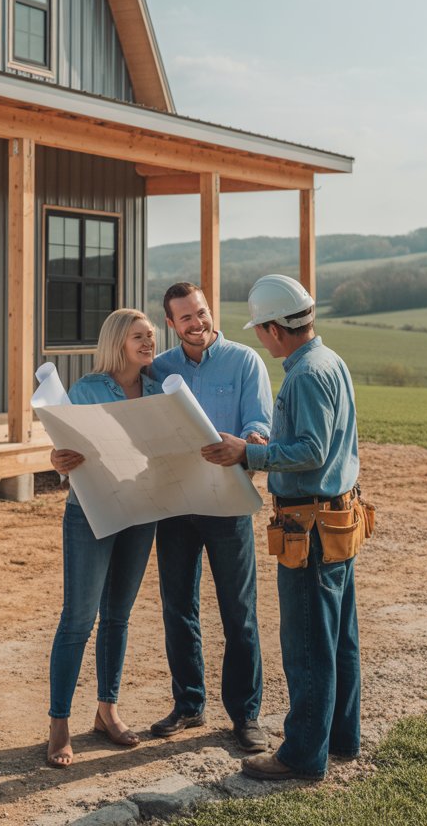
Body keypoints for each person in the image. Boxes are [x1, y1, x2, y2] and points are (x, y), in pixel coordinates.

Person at [202, 274, 363, 782]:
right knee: (338, 638)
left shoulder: (305, 375)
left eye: (261, 330)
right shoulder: (329, 361)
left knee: (308, 645)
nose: (258, 339)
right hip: (336, 518)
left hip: (309, 526)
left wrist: (246, 452)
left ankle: (300, 757)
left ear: (275, 328)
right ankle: (339, 738)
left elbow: (311, 450)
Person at [148, 282, 273, 753]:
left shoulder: (245, 362)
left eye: (201, 313)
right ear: (171, 324)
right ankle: (189, 704)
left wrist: (249, 442)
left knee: (238, 613)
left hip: (227, 501)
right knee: (177, 608)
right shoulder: (159, 370)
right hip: (176, 504)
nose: (197, 324)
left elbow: (260, 425)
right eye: (186, 318)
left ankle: (245, 715)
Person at [46, 308, 163, 769]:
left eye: (152, 335)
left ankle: (107, 711)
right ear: (118, 341)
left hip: (141, 511)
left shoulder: (159, 391)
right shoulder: (87, 389)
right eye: (139, 336)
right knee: (78, 619)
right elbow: (62, 449)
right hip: (90, 513)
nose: (149, 342)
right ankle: (59, 722)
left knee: (118, 616)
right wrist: (58, 459)